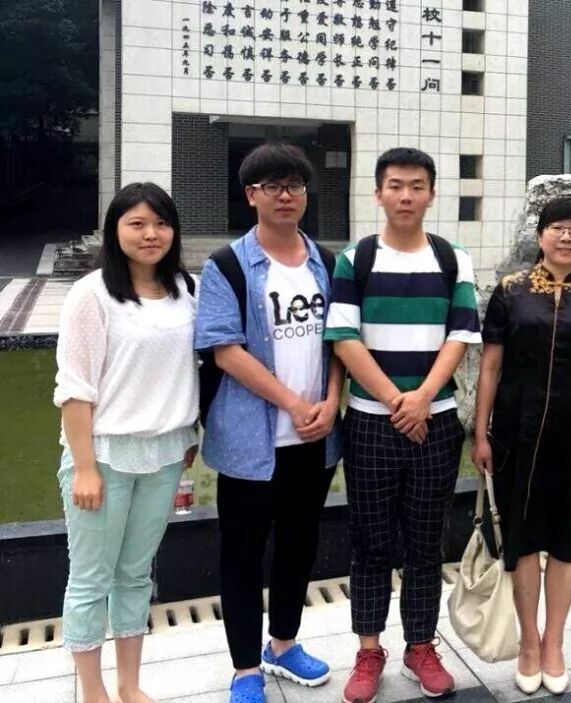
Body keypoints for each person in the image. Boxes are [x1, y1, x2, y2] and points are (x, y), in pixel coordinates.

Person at [325, 147, 481, 703]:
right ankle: (369, 650)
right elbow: (344, 339)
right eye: (395, 185)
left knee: (424, 543)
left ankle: (420, 645)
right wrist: (398, 402)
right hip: (371, 423)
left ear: (431, 194)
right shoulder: (356, 259)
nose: (406, 195)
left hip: (436, 424)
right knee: (370, 542)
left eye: (417, 186)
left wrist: (423, 399)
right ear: (378, 193)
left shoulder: (452, 259)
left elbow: (460, 335)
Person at [194, 142, 343, 703]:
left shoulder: (327, 262)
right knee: (242, 554)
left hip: (314, 438)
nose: (286, 195)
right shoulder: (227, 265)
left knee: (299, 546)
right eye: (273, 186)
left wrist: (330, 401)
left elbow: (342, 341)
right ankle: (244, 670)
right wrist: (292, 403)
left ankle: (282, 644)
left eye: (295, 186)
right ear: (251, 195)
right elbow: (225, 350)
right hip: (249, 442)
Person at [54, 182, 199, 703]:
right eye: (136, 224)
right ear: (115, 230)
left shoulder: (185, 288)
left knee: (136, 575)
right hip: (105, 456)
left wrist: (189, 435)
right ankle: (93, 692)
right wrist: (85, 467)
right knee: (91, 579)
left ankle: (130, 685)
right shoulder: (91, 294)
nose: (150, 234)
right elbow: (74, 388)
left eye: (160, 223)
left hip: (164, 455)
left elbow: (189, 369)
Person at [472, 197, 571, 696]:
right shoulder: (511, 291)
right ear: (540, 235)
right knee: (522, 541)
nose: (567, 236)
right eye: (557, 227)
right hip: (517, 433)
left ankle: (554, 642)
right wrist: (481, 433)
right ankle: (528, 643)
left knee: (565, 541)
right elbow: (490, 366)